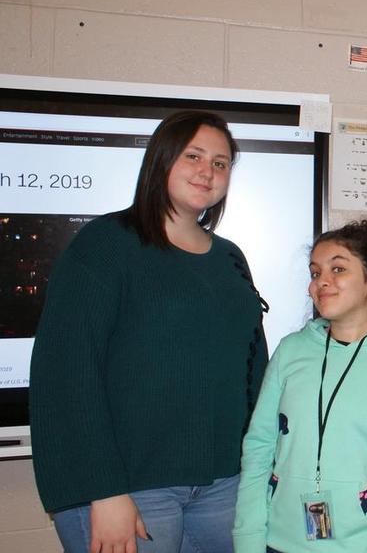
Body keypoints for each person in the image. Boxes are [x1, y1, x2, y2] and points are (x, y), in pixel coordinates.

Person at [30, 111, 270, 553]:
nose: (207, 171)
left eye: (220, 163)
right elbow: (66, 374)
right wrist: (103, 490)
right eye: (193, 156)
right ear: (161, 159)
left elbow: (253, 370)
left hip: (224, 484)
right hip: (128, 488)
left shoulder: (230, 258)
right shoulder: (104, 245)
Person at [232, 220, 367, 553]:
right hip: (282, 543)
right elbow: (259, 448)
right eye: (315, 272)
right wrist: (247, 539)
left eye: (338, 269)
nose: (321, 282)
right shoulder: (291, 351)